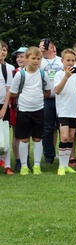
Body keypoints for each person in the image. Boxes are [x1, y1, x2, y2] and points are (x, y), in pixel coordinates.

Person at [10, 47, 51, 175]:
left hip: (39, 109)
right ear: (26, 59)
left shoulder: (43, 74)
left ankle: (37, 165)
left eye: (38, 59)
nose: (36, 61)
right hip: (23, 110)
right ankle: (23, 166)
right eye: (33, 58)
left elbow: (48, 92)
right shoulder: (20, 75)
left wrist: (37, 98)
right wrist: (26, 98)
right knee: (24, 139)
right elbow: (13, 93)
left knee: (38, 138)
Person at [54, 48, 76, 175]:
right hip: (63, 110)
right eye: (68, 60)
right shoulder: (59, 74)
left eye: (73, 60)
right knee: (64, 136)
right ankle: (61, 166)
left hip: (74, 111)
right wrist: (66, 76)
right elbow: (57, 90)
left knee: (71, 137)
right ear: (62, 61)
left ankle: (66, 165)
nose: (70, 63)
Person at [39, 38, 63, 164]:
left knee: (63, 127)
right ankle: (49, 156)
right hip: (47, 99)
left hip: (61, 99)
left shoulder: (60, 61)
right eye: (41, 46)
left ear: (53, 47)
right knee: (47, 128)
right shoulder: (39, 61)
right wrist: (39, 52)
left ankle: (64, 155)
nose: (43, 48)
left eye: (45, 45)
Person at [10, 46, 29, 172]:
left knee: (27, 134)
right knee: (17, 135)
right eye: (17, 57)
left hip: (30, 107)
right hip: (16, 107)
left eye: (22, 56)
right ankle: (18, 160)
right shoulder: (13, 72)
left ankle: (26, 159)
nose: (19, 59)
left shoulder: (35, 72)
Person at [0, 41, 14, 175]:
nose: (3, 52)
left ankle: (7, 165)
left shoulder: (9, 68)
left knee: (5, 134)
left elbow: (9, 89)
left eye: (5, 49)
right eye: (0, 49)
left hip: (3, 105)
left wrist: (4, 108)